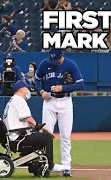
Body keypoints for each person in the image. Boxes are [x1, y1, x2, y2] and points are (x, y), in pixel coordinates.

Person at [35, 48, 85, 177]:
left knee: (66, 136)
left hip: (65, 101)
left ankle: (66, 166)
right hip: (49, 101)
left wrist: (64, 87)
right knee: (46, 135)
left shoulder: (71, 64)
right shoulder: (44, 64)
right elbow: (36, 80)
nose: (54, 62)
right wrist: (41, 92)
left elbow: (80, 84)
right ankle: (44, 164)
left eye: (56, 59)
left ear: (62, 56)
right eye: (52, 59)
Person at [3, 80, 63, 173]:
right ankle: (50, 165)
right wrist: (41, 128)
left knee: (39, 135)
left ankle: (38, 164)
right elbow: (29, 119)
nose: (28, 91)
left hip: (14, 136)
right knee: (47, 137)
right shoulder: (19, 100)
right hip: (18, 138)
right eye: (27, 88)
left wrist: (38, 128)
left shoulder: (13, 100)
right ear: (22, 90)